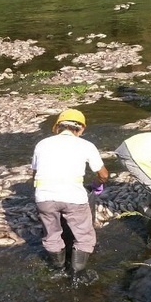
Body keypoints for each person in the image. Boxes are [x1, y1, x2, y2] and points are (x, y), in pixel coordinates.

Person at [31, 109, 109, 278]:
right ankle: (77, 273)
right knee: (84, 236)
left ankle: (58, 270)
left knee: (51, 235)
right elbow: (103, 175)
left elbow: (34, 174)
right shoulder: (86, 145)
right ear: (80, 129)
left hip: (44, 197)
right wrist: (96, 186)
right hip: (74, 197)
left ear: (58, 127)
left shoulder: (42, 144)